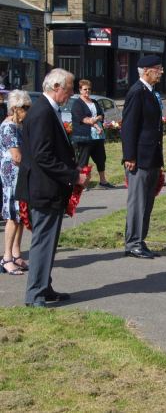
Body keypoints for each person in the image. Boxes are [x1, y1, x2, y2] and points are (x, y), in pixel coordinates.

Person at [15, 69, 90, 307]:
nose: (71, 94)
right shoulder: (41, 113)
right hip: (43, 188)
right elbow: (43, 156)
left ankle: (43, 288)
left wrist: (73, 168)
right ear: (56, 86)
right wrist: (73, 177)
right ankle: (35, 295)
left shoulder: (47, 109)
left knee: (48, 243)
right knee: (42, 243)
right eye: (69, 89)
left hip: (49, 187)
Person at [121, 55, 164, 259]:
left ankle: (140, 240)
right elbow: (129, 126)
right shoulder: (137, 92)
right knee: (137, 202)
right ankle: (133, 243)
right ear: (146, 70)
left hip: (151, 156)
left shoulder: (151, 92)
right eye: (158, 68)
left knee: (147, 202)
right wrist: (129, 155)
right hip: (139, 158)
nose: (162, 71)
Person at [0, 90, 31, 276]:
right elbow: (17, 157)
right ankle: (6, 258)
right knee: (13, 217)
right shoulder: (9, 127)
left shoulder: (18, 126)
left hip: (20, 176)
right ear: (15, 108)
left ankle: (16, 253)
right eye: (25, 108)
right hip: (12, 178)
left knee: (20, 216)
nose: (28, 111)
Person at [71, 80, 115, 189]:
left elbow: (101, 115)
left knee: (101, 158)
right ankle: (82, 183)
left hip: (97, 136)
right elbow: (83, 119)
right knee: (83, 160)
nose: (87, 91)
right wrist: (96, 125)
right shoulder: (77, 104)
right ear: (80, 90)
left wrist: (96, 119)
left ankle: (103, 181)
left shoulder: (94, 102)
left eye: (89, 89)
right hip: (85, 136)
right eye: (85, 89)